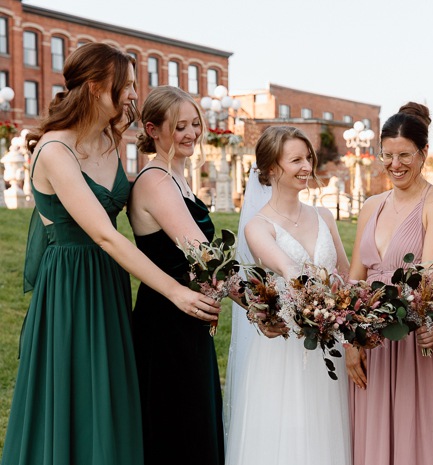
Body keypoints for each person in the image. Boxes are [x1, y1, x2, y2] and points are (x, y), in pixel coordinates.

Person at [0, 43, 218, 465]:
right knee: (76, 391)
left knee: (112, 391)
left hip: (109, 280)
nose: (135, 94)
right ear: (98, 87)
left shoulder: (109, 139)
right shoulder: (54, 150)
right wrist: (177, 292)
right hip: (71, 283)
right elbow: (104, 235)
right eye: (128, 85)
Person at [223, 126, 352, 465]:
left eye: (308, 158)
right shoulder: (258, 226)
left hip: (330, 343)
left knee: (327, 430)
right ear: (270, 168)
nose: (307, 166)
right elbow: (288, 268)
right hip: (283, 348)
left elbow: (345, 273)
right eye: (296, 160)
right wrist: (316, 299)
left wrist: (353, 324)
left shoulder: (324, 216)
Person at [345, 102, 433, 465]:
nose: (395, 165)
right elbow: (354, 279)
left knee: (414, 442)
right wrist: (353, 340)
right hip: (370, 345)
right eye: (387, 155)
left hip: (412, 341)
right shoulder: (371, 206)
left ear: (424, 153)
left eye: (405, 155)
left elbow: (425, 284)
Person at [127, 86, 224, 464]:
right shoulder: (155, 181)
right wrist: (262, 302)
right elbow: (204, 255)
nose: (191, 134)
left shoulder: (179, 177)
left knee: (196, 418)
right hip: (167, 318)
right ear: (152, 129)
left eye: (195, 124)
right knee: (179, 425)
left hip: (190, 316)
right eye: (179, 126)